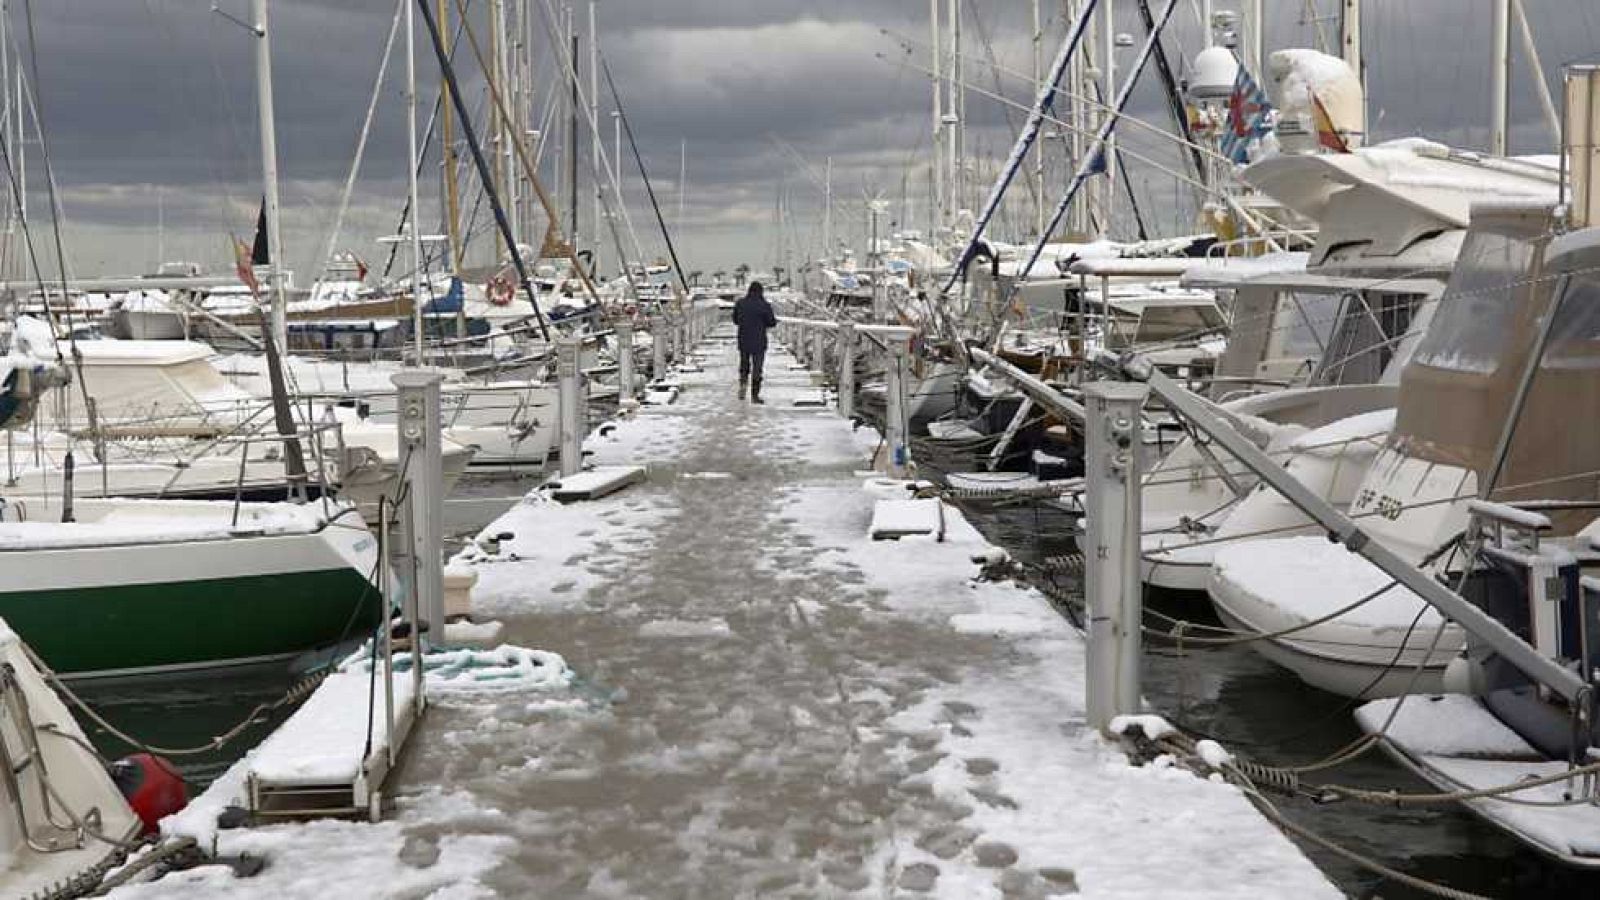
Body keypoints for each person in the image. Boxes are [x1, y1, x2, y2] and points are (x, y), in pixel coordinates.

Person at [732, 281, 777, 403]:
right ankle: (755, 395)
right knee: (757, 368)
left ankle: (742, 385)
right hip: (759, 341)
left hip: (744, 339)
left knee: (744, 364)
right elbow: (771, 322)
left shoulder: (740, 303)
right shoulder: (764, 305)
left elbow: (735, 320)